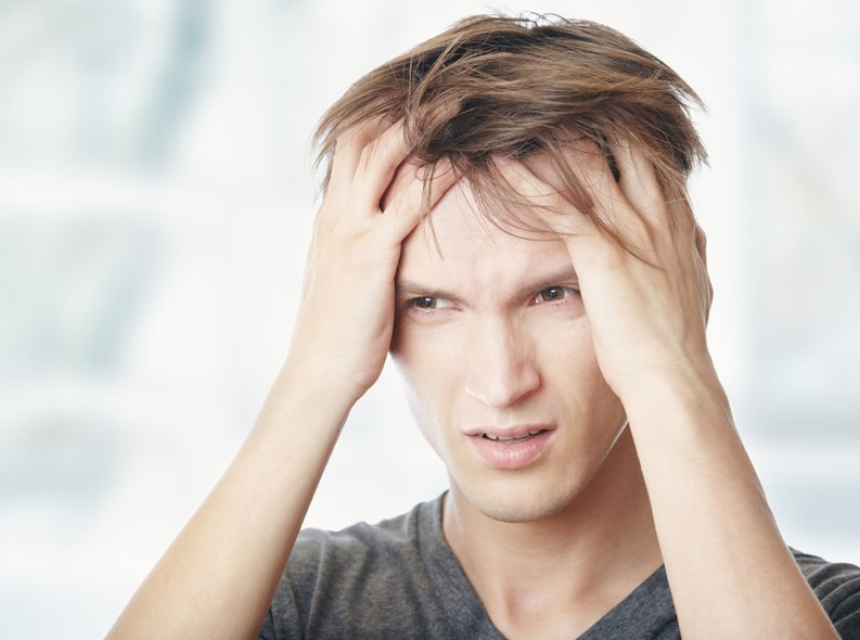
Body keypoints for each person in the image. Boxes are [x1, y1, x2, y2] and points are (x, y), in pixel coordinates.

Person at [108, 13, 860, 639]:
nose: (501, 384)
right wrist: (313, 376)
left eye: (555, 294)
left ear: (674, 285)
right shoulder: (290, 602)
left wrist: (673, 375)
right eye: (430, 303)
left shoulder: (827, 613)